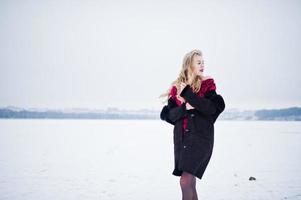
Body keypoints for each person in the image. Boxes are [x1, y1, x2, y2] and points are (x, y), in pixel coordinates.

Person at [159, 49, 225, 200]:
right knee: (189, 181)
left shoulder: (207, 84)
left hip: (201, 138)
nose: (202, 65)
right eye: (199, 62)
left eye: (203, 62)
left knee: (185, 181)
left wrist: (189, 95)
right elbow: (169, 116)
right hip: (182, 139)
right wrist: (184, 108)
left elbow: (211, 108)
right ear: (189, 64)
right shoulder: (176, 88)